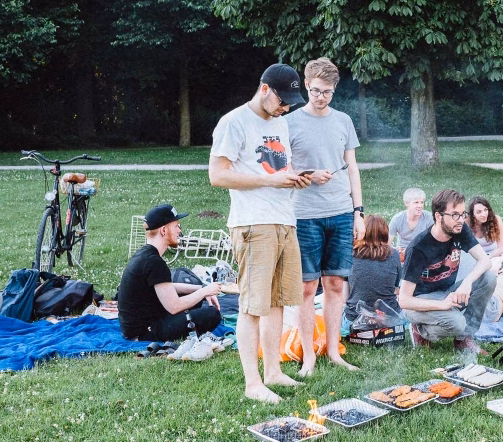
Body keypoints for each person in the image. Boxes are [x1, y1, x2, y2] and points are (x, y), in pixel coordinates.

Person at [209, 63, 312, 403]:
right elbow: (218, 175)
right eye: (283, 100)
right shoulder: (233, 122)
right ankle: (253, 384)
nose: (286, 107)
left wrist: (300, 176)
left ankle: (273, 371)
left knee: (278, 302)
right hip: (253, 223)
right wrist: (271, 180)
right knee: (252, 305)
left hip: (285, 220)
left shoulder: (279, 123)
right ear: (264, 88)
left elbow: (277, 168)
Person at [289, 57, 364, 375]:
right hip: (304, 216)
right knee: (306, 289)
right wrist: (307, 174)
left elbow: (353, 167)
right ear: (306, 85)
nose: (321, 97)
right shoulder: (289, 123)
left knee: (335, 284)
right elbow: (280, 170)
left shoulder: (343, 121)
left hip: (340, 213)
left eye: (328, 92)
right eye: (317, 90)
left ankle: (333, 351)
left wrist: (358, 212)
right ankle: (308, 357)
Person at [399, 188, 497, 354]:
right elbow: (404, 301)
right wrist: (442, 305)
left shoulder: (459, 230)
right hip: (418, 303)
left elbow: (485, 260)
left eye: (462, 214)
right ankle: (420, 331)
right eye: (454, 215)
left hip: (447, 292)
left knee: (488, 278)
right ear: (438, 216)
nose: (460, 220)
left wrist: (466, 283)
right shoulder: (418, 248)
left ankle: (463, 339)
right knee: (457, 323)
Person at [118, 204, 223, 341]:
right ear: (163, 230)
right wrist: (204, 292)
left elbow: (167, 288)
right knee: (212, 315)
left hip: (138, 325)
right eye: (176, 226)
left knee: (195, 300)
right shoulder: (154, 261)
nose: (180, 231)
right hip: (145, 332)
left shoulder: (146, 254)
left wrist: (202, 289)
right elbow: (174, 307)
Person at [341, 214, 403, 332]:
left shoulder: (350, 254)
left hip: (355, 318)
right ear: (385, 232)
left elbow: (344, 298)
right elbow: (396, 289)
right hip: (388, 319)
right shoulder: (394, 254)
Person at [389, 188, 433, 254]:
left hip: (422, 252)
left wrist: (411, 250)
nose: (420, 206)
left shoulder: (429, 218)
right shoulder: (397, 219)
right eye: (416, 202)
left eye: (422, 202)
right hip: (402, 253)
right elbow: (387, 242)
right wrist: (395, 250)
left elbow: (433, 243)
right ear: (406, 203)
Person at [468, 196, 503, 260]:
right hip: (475, 258)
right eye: (479, 212)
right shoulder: (467, 223)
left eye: (485, 210)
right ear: (472, 214)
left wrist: (489, 256)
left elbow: (502, 248)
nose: (484, 214)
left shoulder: (496, 219)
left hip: (494, 255)